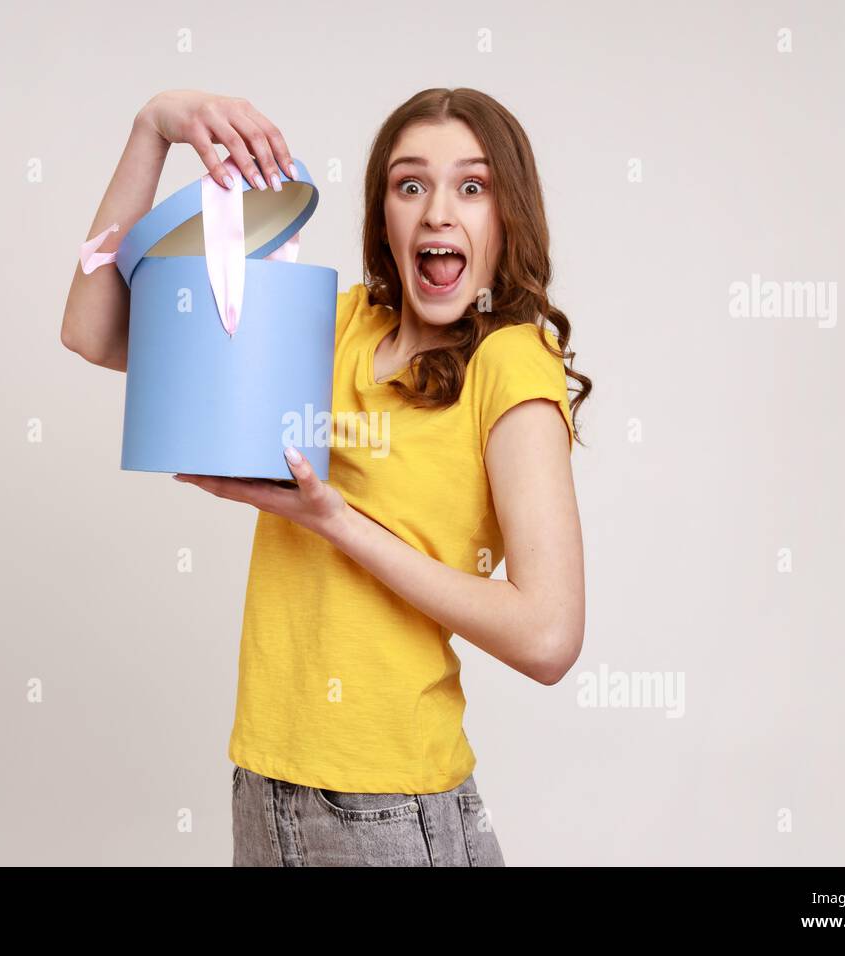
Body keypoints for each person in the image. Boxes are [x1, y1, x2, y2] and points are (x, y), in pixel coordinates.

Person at [61, 87, 591, 866]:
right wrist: (150, 131)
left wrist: (334, 521)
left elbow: (548, 638)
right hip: (264, 783)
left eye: (471, 187)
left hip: (391, 806)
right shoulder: (333, 324)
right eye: (410, 184)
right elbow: (91, 329)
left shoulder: (511, 364)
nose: (438, 212)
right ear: (384, 214)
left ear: (508, 215)